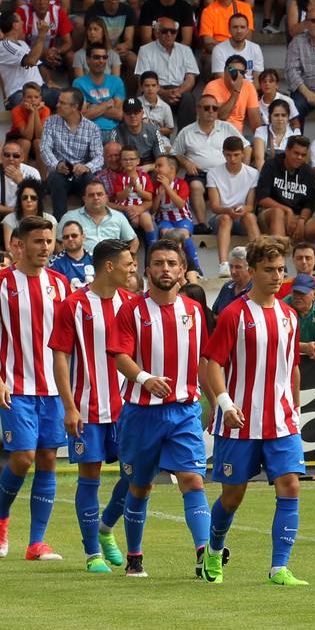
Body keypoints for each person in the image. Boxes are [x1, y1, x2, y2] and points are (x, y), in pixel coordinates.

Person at [104, 238, 214, 579]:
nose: (165, 269)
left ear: (182, 270)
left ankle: (204, 554)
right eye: (158, 263)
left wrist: (217, 401)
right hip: (141, 413)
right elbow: (120, 355)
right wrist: (144, 378)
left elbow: (204, 362)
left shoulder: (195, 311)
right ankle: (135, 557)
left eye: (171, 263)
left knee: (193, 481)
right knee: (140, 486)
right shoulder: (132, 311)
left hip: (184, 410)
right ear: (147, 269)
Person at [200, 236, 306, 585]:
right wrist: (225, 404)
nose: (277, 276)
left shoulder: (290, 316)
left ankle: (279, 568)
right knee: (232, 496)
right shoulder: (234, 314)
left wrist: (295, 406)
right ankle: (213, 551)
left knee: (289, 485)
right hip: (239, 423)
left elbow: (291, 366)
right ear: (252, 271)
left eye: (281, 269)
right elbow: (212, 363)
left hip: (281, 421)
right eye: (269, 269)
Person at [0, 216, 71, 562]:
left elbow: (66, 341)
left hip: (53, 388)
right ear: (19, 245)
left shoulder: (61, 285)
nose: (45, 247)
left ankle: (37, 543)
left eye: (49, 241)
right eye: (38, 241)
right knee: (23, 456)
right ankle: (0, 517)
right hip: (15, 386)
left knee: (48, 457)